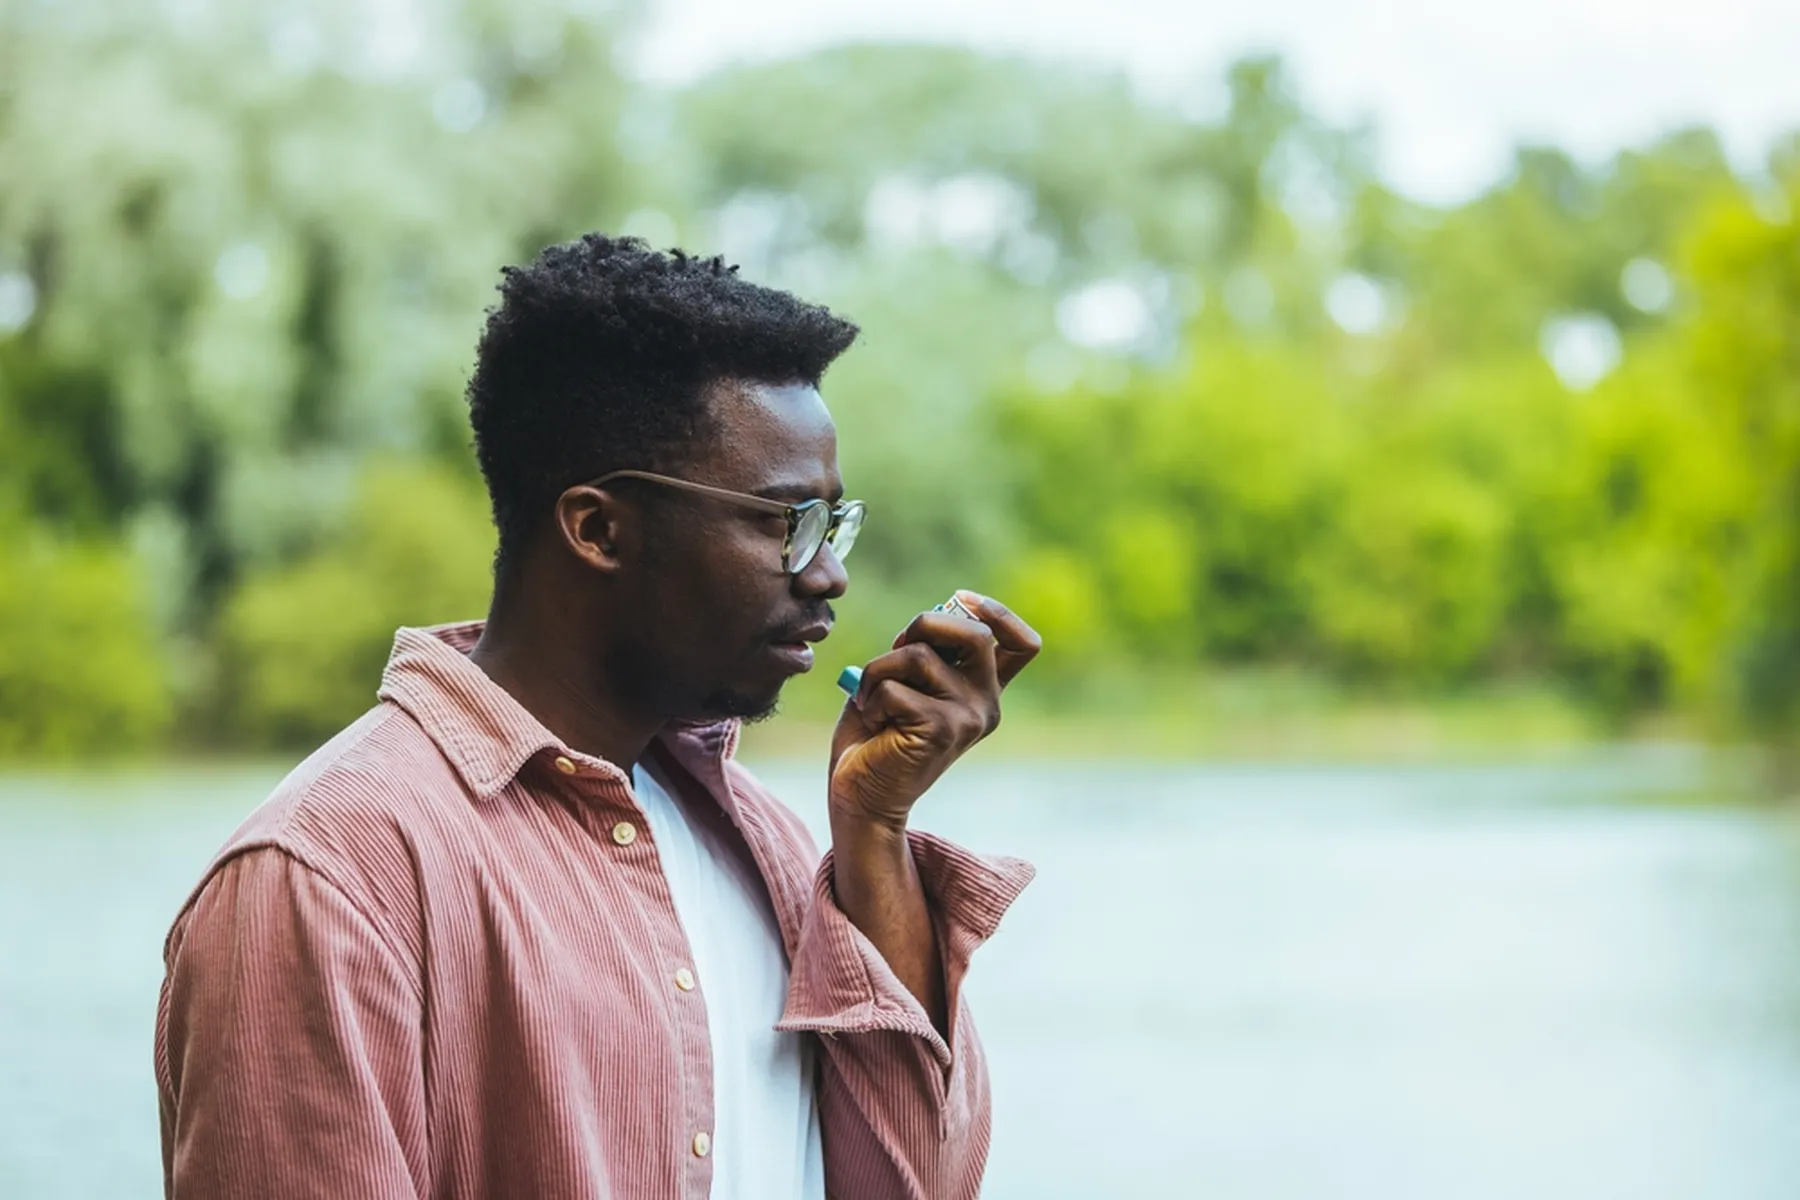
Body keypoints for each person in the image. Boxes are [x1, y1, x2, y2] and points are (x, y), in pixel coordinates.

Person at [153, 235, 1041, 1200]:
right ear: (598, 529)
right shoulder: (330, 879)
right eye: (787, 523)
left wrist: (873, 834)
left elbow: (925, 1187)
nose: (829, 573)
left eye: (836, 523)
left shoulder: (774, 848)